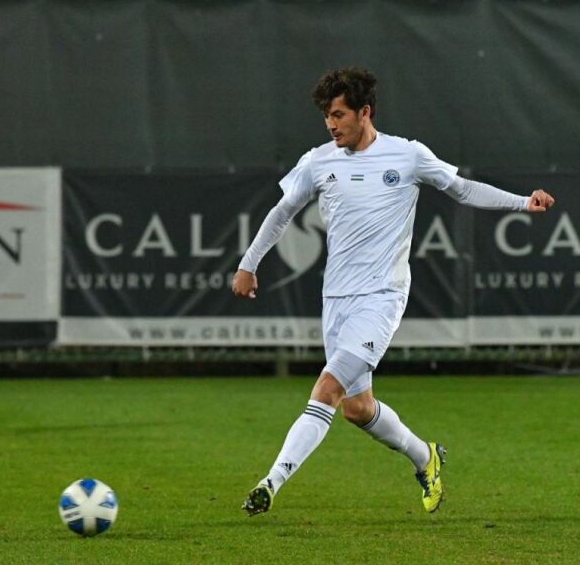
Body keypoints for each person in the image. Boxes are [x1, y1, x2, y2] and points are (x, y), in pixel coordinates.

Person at [233, 67, 554, 515]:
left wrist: (523, 202)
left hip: (382, 297)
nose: (331, 124)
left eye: (339, 115)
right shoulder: (318, 162)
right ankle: (426, 457)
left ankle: (271, 483)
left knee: (326, 388)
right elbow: (282, 211)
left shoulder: (407, 155)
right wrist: (248, 264)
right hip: (336, 299)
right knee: (357, 409)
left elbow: (463, 190)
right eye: (326, 116)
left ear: (364, 112)